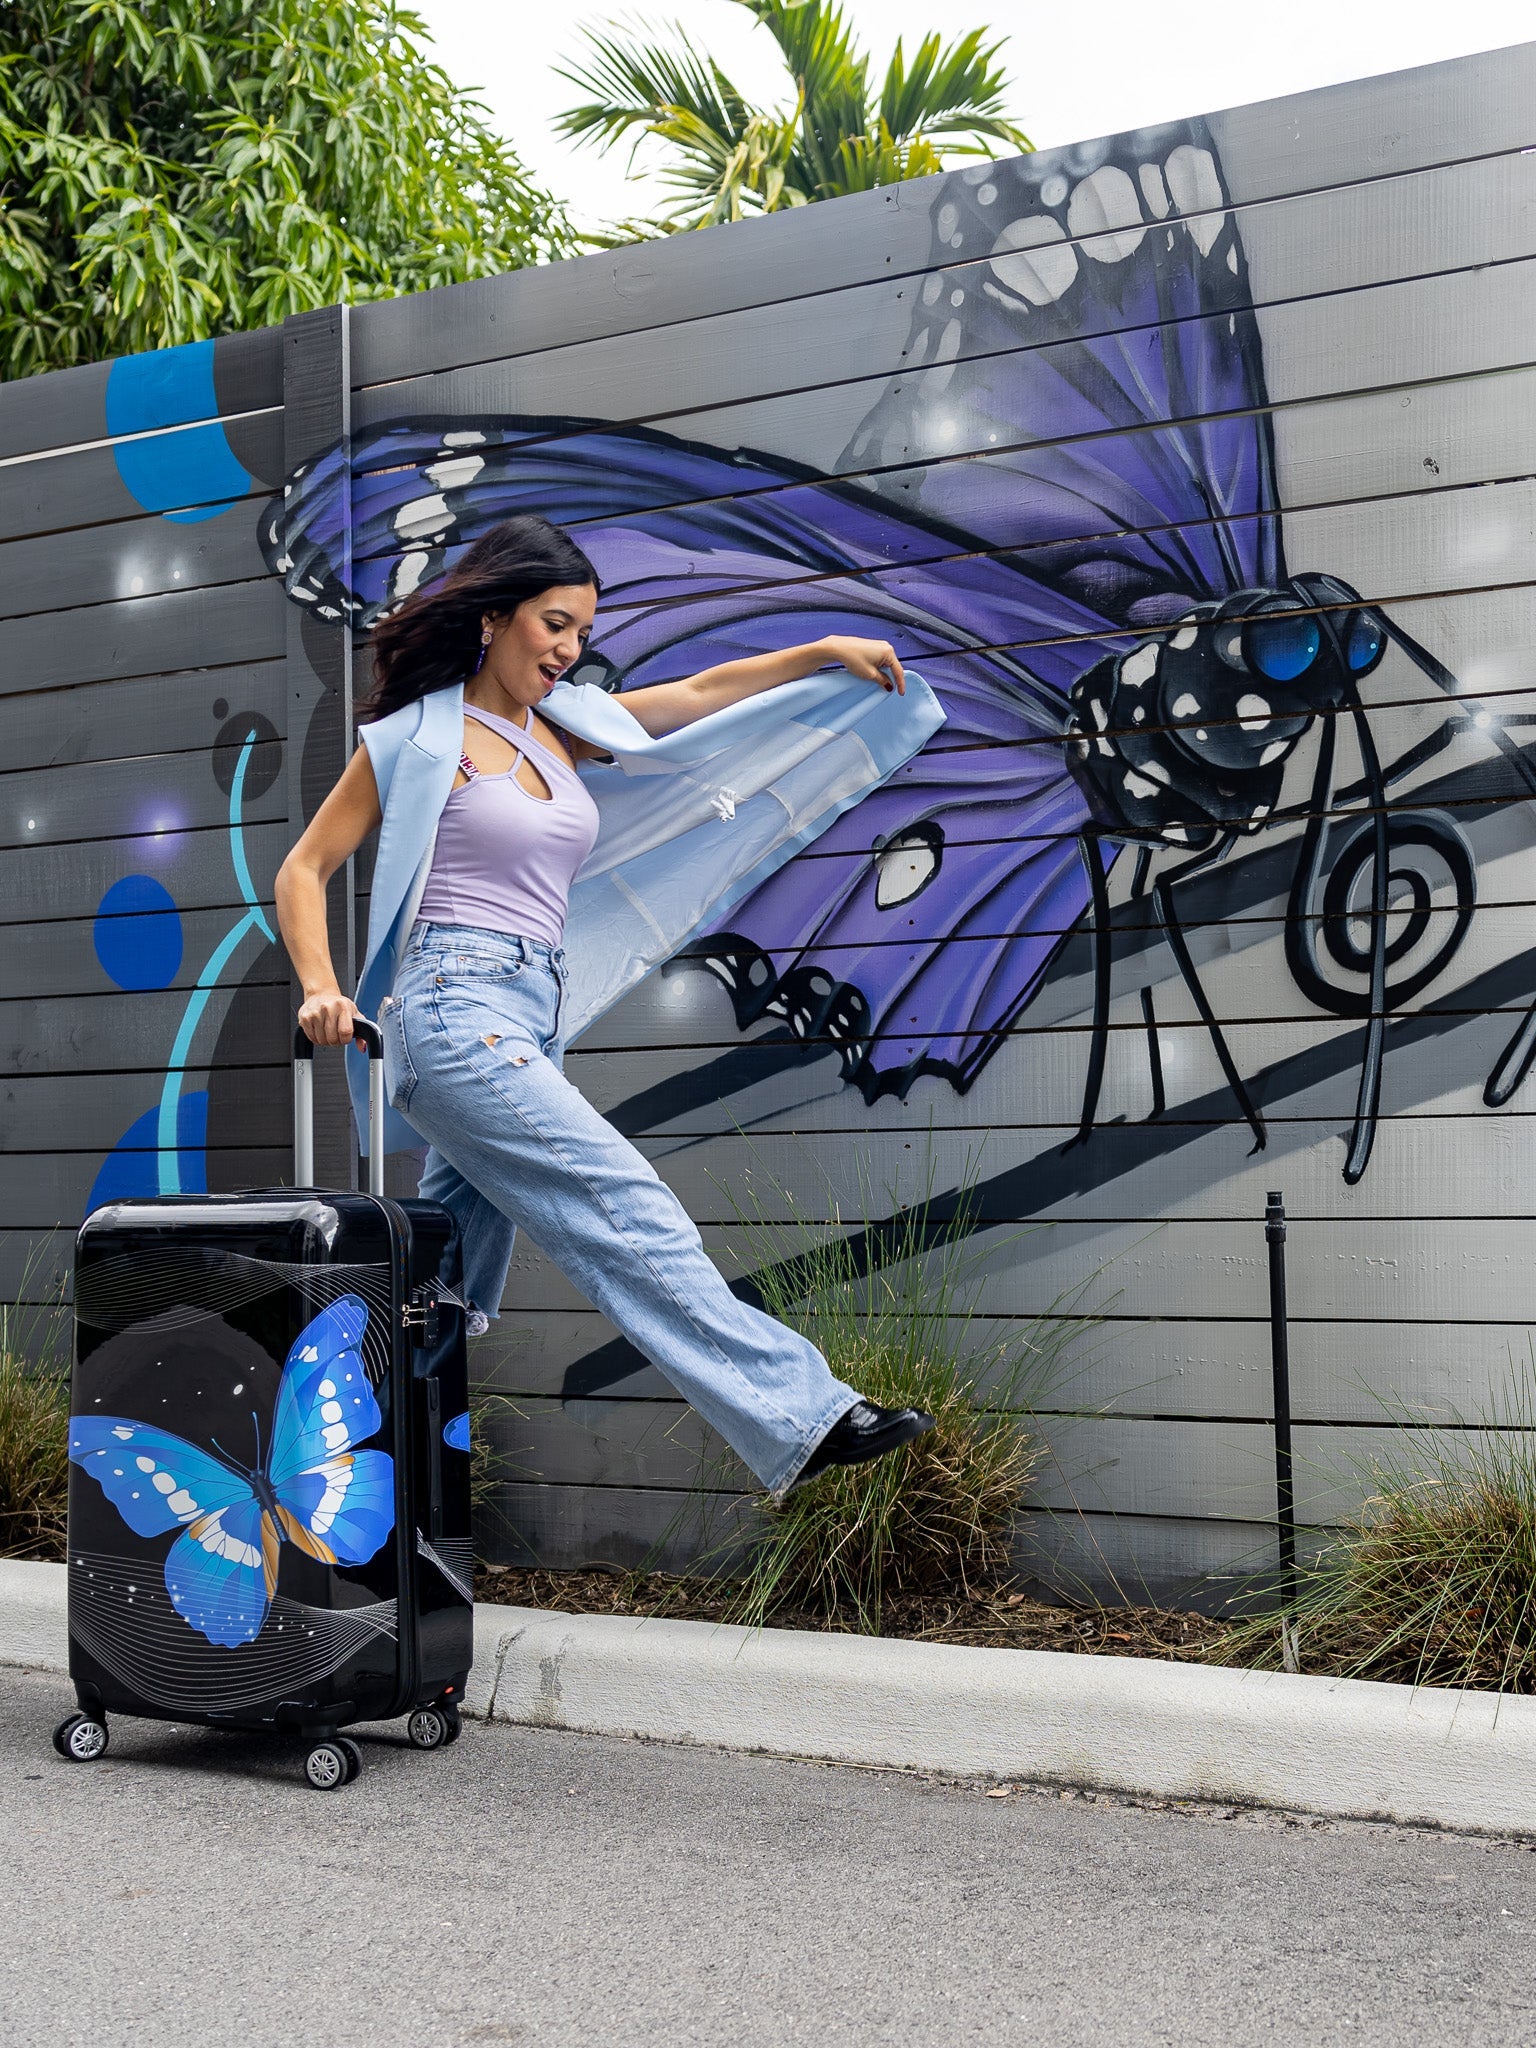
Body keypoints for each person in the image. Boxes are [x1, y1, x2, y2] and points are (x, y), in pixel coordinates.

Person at [276, 514, 938, 1499]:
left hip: (522, 1018)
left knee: (440, 1284)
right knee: (624, 1208)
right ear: (493, 616)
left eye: (581, 631)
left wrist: (821, 649)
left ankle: (349, 1467)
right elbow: (306, 866)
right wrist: (324, 988)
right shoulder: (420, 738)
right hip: (452, 1014)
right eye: (553, 624)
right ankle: (802, 1411)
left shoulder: (570, 726)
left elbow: (700, 696)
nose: (568, 649)